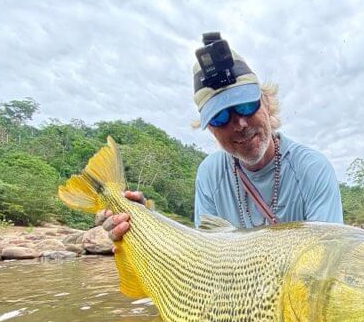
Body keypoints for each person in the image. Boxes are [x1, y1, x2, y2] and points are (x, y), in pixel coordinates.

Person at [98, 33, 343, 240]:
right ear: (210, 129)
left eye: (247, 105)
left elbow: (328, 263)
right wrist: (143, 224)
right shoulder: (210, 174)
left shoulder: (313, 169)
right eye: (221, 117)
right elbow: (206, 259)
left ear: (266, 104)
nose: (240, 124)